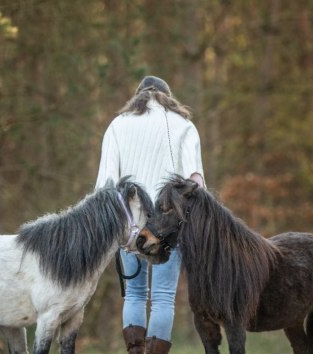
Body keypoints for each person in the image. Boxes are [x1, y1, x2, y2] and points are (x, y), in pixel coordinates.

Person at [95, 76, 205, 354]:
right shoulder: (184, 126)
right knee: (163, 298)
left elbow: (104, 185)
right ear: (168, 96)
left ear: (138, 96)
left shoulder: (118, 126)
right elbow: (196, 184)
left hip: (128, 224)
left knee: (133, 294)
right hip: (167, 226)